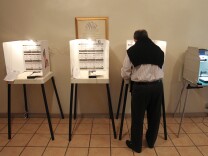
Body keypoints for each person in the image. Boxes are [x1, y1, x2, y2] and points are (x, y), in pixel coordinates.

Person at [121, 29, 164, 153]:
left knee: (137, 118)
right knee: (155, 116)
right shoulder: (159, 50)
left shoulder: (132, 51)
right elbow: (161, 68)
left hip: (140, 88)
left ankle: (136, 145)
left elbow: (125, 71)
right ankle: (151, 142)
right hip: (157, 87)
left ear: (135, 39)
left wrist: (127, 80)